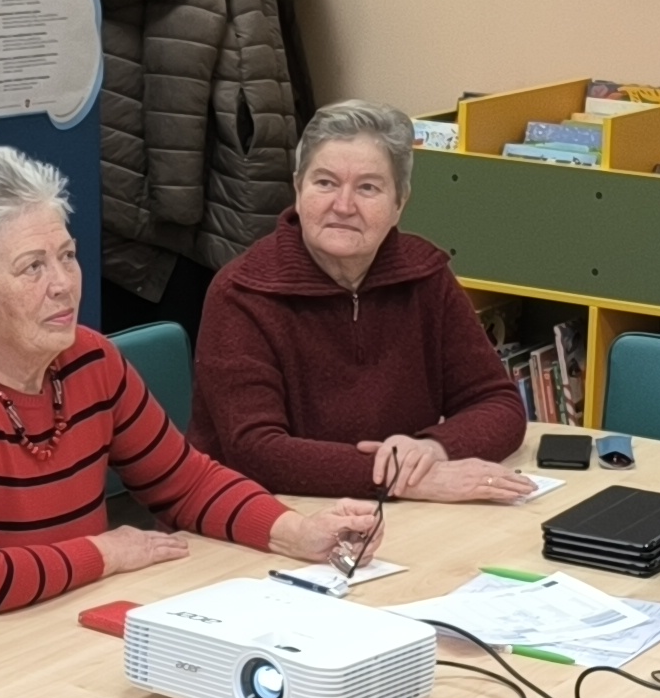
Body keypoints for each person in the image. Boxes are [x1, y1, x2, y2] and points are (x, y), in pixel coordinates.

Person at [0, 145, 377, 653]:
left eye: (67, 256)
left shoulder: (89, 360)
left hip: (25, 626)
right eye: (32, 267)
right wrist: (107, 552)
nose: (63, 284)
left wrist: (297, 531)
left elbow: (187, 483)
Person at [193, 99, 538, 501]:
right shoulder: (242, 293)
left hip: (396, 514)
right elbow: (256, 451)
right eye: (325, 183)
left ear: (399, 203)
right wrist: (401, 478)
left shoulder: (425, 276)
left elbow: (498, 402)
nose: (343, 206)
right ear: (298, 189)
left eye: (368, 188)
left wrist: (432, 449)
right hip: (262, 515)